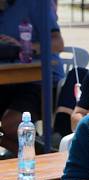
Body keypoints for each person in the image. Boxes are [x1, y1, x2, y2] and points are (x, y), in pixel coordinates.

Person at [0, 0, 64, 154]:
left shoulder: (36, 3)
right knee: (9, 130)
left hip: (41, 81)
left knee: (11, 124)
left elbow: (58, 43)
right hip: (8, 81)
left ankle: (51, 158)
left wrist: (25, 48)